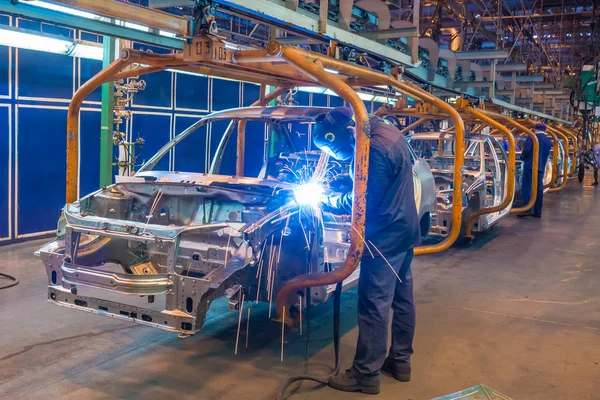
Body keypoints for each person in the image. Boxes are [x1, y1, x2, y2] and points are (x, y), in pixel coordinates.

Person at [311, 107, 420, 395]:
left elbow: (365, 202)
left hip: (384, 236)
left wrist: (333, 199)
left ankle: (365, 374)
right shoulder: (379, 127)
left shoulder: (372, 151)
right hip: (404, 227)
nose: (337, 159)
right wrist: (348, 180)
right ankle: (400, 362)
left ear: (348, 136)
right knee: (402, 298)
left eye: (336, 153)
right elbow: (374, 180)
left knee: (374, 304)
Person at [517, 123, 553, 218]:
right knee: (538, 189)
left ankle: (527, 208)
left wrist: (522, 158)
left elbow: (526, 151)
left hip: (530, 166)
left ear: (534, 129)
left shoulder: (532, 137)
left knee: (527, 188)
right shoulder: (548, 141)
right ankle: (537, 211)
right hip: (541, 167)